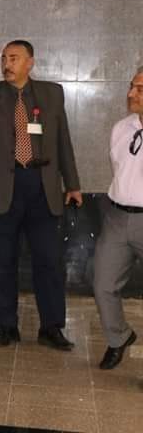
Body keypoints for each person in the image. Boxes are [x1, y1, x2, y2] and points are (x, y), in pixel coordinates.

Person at [0, 39, 82, 350]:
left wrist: (72, 184)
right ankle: (6, 327)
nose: (7, 64)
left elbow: (63, 142)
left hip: (42, 187)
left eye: (14, 58)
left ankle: (51, 328)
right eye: (3, 58)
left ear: (30, 62)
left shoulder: (52, 94)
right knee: (0, 262)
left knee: (49, 261)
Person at [93, 67, 143, 370]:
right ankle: (118, 337)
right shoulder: (121, 128)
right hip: (117, 217)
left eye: (140, 89)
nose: (130, 94)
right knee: (103, 284)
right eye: (131, 86)